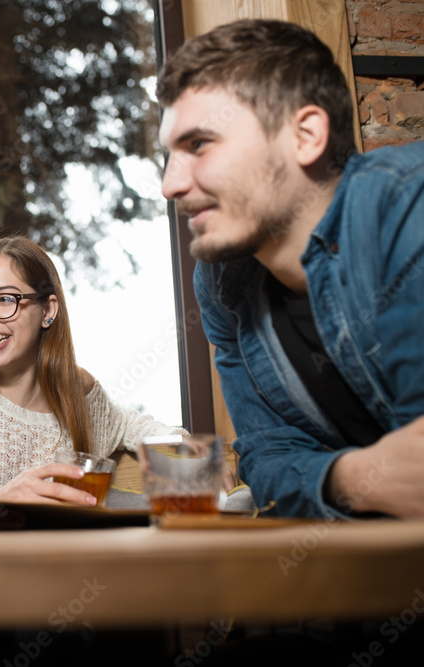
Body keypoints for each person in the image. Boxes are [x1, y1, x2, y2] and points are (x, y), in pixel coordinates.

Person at [157, 18, 424, 521]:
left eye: (199, 145)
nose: (170, 185)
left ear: (304, 136)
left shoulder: (405, 203)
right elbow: (266, 460)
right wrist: (354, 478)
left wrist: (326, 478)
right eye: (167, 155)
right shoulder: (220, 285)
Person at [0, 236, 186, 504]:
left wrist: (192, 457)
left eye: (4, 299)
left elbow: (135, 427)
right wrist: (0, 499)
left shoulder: (75, 393)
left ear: (48, 311)